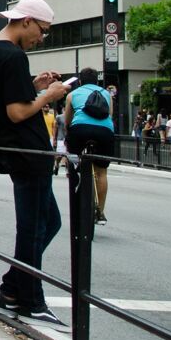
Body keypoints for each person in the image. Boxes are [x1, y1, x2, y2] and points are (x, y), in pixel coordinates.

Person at [0, 0, 70, 326]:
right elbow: (16, 111)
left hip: (15, 150)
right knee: (33, 227)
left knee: (46, 222)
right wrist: (49, 96)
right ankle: (29, 299)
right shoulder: (13, 55)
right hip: (28, 150)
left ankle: (12, 289)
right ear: (25, 21)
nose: (41, 39)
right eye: (42, 31)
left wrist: (33, 85)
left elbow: (4, 96)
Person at [63, 67, 115, 225]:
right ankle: (100, 211)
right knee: (101, 172)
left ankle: (73, 172)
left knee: (72, 157)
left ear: (80, 81)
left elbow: (67, 121)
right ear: (97, 80)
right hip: (104, 132)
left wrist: (68, 134)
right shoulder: (106, 94)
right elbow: (110, 115)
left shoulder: (72, 95)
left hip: (80, 130)